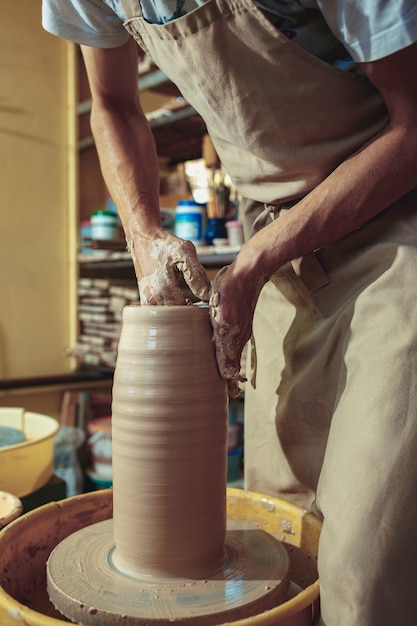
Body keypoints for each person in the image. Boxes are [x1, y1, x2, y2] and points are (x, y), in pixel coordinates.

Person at [42, 2, 417, 624]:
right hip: (271, 249)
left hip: (395, 232)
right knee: (279, 544)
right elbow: (111, 104)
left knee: (362, 571)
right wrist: (142, 234)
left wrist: (256, 260)